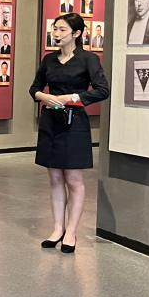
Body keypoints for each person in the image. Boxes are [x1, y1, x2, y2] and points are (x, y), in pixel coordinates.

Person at [30, 13, 109, 254]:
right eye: (55, 28)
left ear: (76, 33)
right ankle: (57, 228)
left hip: (75, 123)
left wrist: (72, 97)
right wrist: (44, 96)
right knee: (54, 178)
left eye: (62, 29)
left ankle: (71, 232)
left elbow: (102, 90)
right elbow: (34, 88)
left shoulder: (88, 59)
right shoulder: (49, 59)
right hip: (51, 121)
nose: (56, 33)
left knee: (73, 180)